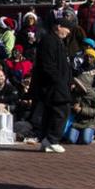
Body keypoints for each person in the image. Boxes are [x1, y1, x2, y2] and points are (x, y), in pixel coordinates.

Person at [30, 16, 74, 152]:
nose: (68, 32)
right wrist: (59, 80)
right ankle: (52, 139)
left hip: (57, 83)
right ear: (58, 26)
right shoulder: (49, 41)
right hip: (53, 85)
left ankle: (46, 140)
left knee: (51, 112)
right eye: (67, 29)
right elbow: (48, 65)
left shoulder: (57, 41)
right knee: (62, 110)